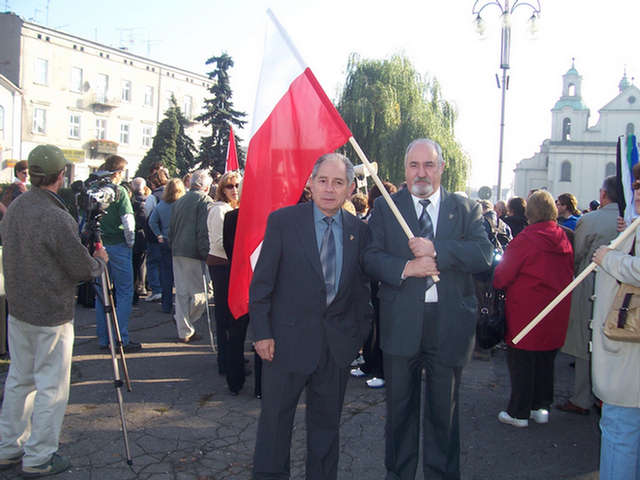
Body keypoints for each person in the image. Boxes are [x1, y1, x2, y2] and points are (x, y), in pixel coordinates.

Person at [363, 138, 493, 479]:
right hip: (401, 325)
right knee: (400, 414)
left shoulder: (465, 209)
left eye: (429, 165)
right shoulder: (386, 208)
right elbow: (370, 258)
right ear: (405, 169)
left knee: (443, 416)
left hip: (448, 325)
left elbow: (483, 255)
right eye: (414, 165)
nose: (421, 173)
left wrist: (436, 250)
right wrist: (407, 268)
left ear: (441, 168)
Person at [251, 153, 372, 480]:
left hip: (335, 348)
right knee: (274, 428)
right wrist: (261, 333)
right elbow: (262, 283)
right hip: (283, 344)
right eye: (323, 181)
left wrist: (357, 337)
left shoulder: (358, 231)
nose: (329, 189)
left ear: (350, 188)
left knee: (326, 431)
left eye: (338, 182)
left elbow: (361, 290)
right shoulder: (283, 221)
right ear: (311, 183)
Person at [0, 145, 108, 477]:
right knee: (51, 386)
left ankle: (8, 447)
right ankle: (39, 456)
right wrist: (99, 263)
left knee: (20, 379)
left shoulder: (16, 207)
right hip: (49, 313)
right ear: (61, 175)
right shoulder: (56, 216)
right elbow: (79, 267)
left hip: (19, 307)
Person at [493, 190, 574, 428]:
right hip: (556, 308)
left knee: (522, 362)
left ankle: (519, 412)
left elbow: (503, 275)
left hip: (526, 309)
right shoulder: (564, 236)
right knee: (546, 361)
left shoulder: (526, 239)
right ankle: (541, 407)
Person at [591, 183, 640, 480]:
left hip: (629, 352)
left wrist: (609, 258)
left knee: (620, 431)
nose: (637, 195)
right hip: (625, 350)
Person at [558, 176, 619, 415]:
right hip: (622, 289)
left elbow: (578, 254)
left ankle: (582, 397)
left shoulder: (592, 220)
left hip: (591, 284)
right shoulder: (629, 220)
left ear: (603, 194)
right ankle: (608, 396)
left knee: (586, 340)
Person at [95, 155, 141, 352]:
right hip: (119, 245)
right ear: (118, 172)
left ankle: (103, 337)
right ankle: (120, 338)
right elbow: (128, 222)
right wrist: (131, 243)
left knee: (102, 293)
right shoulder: (119, 191)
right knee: (124, 292)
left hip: (98, 246)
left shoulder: (94, 189)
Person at [168, 169, 213, 343]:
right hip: (194, 252)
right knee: (203, 292)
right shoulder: (204, 201)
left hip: (177, 250)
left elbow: (171, 227)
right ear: (206, 187)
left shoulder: (180, 200)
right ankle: (184, 323)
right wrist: (206, 254)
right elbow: (203, 230)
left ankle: (183, 326)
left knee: (182, 293)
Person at [206, 171, 241, 378]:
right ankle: (224, 360)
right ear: (222, 189)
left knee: (231, 315)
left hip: (229, 264)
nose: (234, 189)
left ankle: (231, 356)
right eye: (230, 186)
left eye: (237, 185)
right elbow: (220, 242)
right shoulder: (219, 210)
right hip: (222, 265)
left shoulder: (230, 208)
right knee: (223, 314)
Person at [148, 178, 186, 314]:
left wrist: (158, 234)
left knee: (166, 274)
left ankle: (166, 304)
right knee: (182, 275)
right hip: (181, 242)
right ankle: (181, 306)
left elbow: (152, 221)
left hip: (165, 241)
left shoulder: (161, 205)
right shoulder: (183, 205)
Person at [144, 169, 169, 302]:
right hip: (169, 234)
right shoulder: (174, 195)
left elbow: (147, 214)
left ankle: (156, 290)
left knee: (153, 262)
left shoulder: (153, 197)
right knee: (165, 264)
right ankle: (166, 291)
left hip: (154, 235)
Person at [130, 177, 148, 303]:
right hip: (142, 236)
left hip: (133, 235)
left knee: (133, 264)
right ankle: (140, 286)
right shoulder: (147, 201)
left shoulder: (130, 201)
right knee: (141, 264)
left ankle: (134, 289)